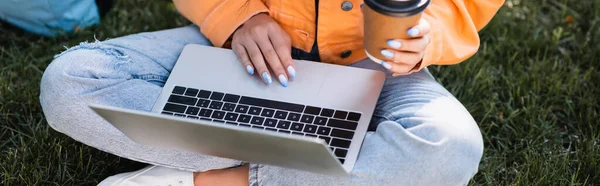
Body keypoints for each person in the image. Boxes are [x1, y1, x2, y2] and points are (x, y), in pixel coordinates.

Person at [39, 0, 504, 185]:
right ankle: (312, 159)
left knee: (448, 149)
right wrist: (237, 16)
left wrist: (428, 34)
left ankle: (198, 181)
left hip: (379, 65)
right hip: (250, 45)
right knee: (71, 81)